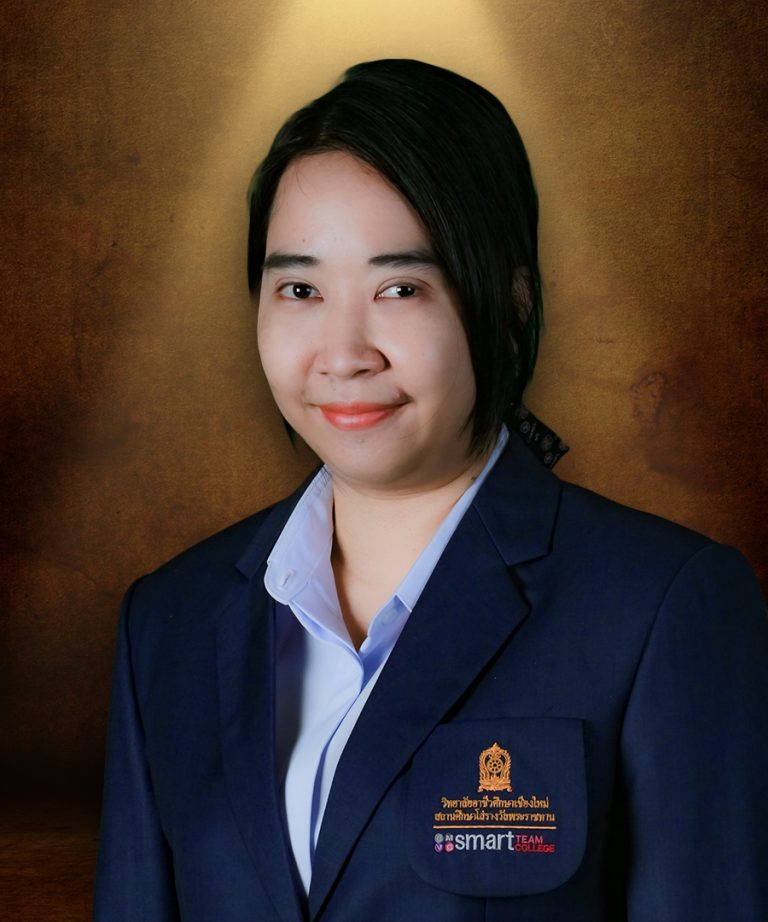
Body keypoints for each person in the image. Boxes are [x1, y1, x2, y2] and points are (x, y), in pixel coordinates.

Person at [93, 59, 768, 922]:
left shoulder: (663, 607)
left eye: (400, 288)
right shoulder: (170, 621)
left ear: (511, 301)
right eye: (299, 289)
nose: (344, 353)